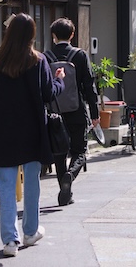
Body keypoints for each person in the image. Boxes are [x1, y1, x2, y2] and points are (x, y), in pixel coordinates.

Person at [0, 13, 65, 258]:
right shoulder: (38, 61)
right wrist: (60, 81)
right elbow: (48, 94)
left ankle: (10, 241)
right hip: (32, 131)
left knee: (5, 186)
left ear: (9, 33)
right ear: (31, 35)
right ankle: (30, 231)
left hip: (2, 131)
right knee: (32, 183)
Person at [48, 18, 100, 207]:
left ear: (53, 36)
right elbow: (89, 85)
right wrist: (94, 112)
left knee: (59, 152)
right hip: (76, 110)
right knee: (79, 151)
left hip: (54, 112)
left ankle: (64, 189)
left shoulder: (46, 56)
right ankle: (71, 175)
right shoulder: (79, 55)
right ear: (72, 34)